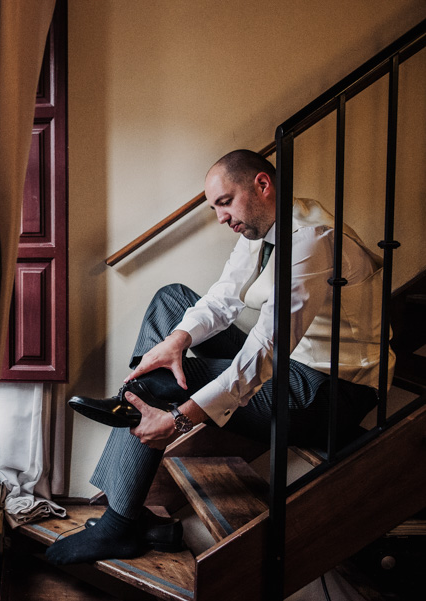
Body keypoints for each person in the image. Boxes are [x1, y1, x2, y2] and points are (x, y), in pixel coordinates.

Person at [49, 149, 392, 565]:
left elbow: (266, 348)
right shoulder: (264, 229)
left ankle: (120, 520)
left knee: (162, 387)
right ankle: (137, 402)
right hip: (296, 366)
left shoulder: (311, 240)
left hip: (329, 393)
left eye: (225, 202)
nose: (220, 218)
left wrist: (180, 419)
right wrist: (177, 341)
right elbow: (222, 299)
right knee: (171, 302)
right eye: (214, 208)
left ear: (262, 185)